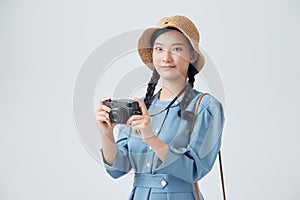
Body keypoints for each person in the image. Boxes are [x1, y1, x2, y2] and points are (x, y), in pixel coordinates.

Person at [95, 15, 225, 200]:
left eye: (177, 49)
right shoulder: (140, 107)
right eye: (159, 49)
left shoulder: (206, 107)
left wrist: (150, 137)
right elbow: (117, 170)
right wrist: (106, 133)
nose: (166, 57)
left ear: (192, 55)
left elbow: (194, 170)